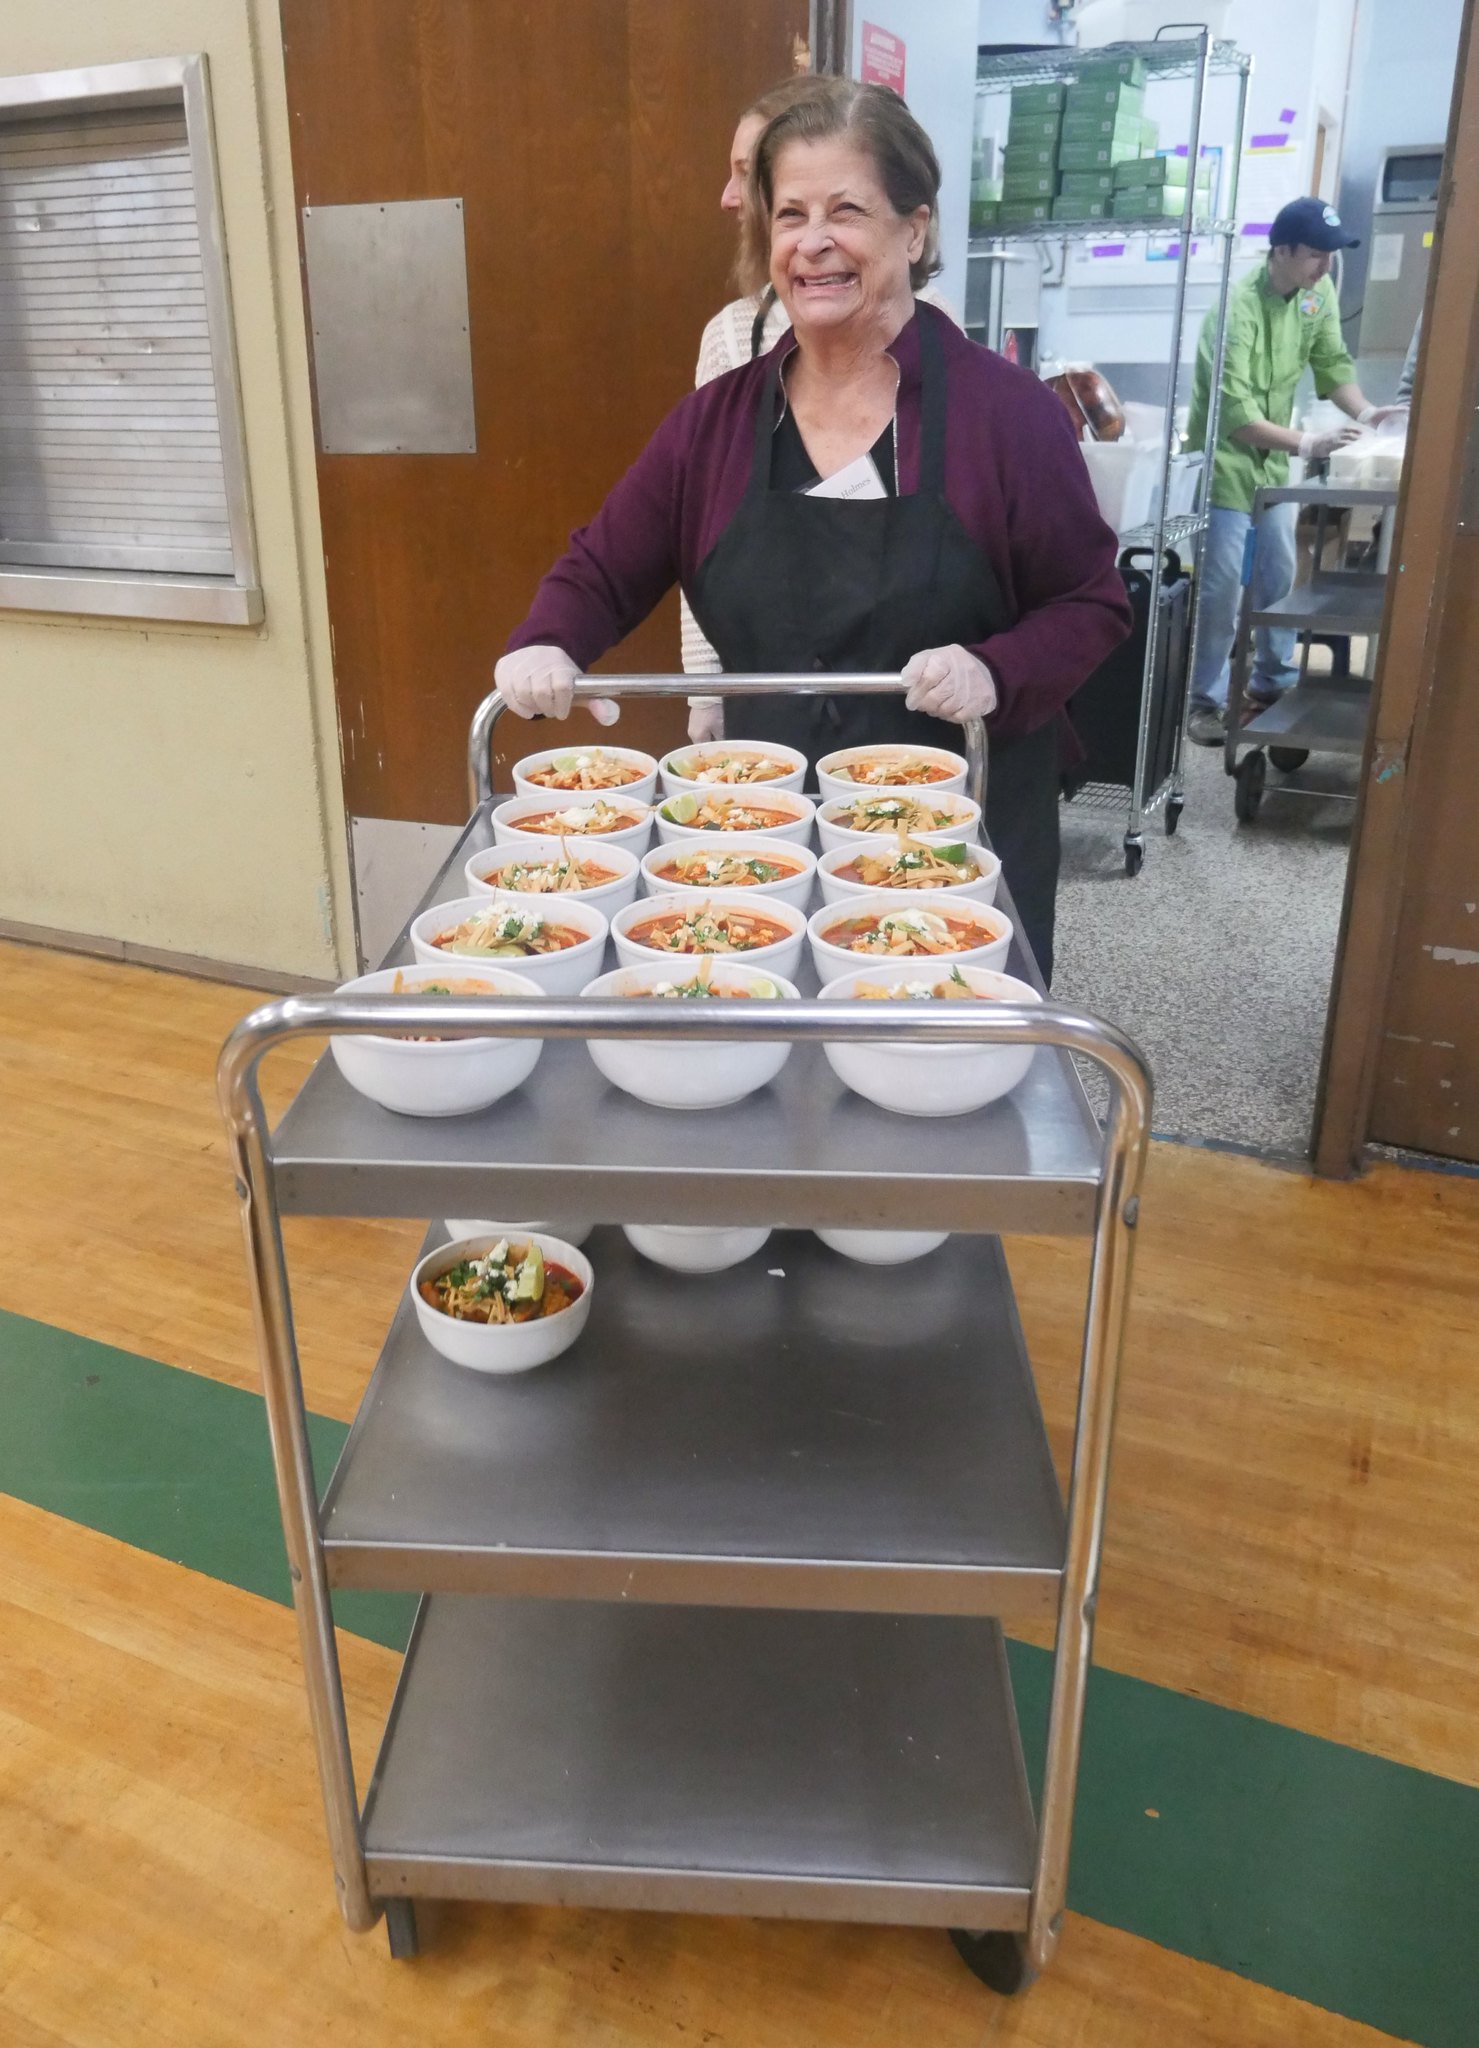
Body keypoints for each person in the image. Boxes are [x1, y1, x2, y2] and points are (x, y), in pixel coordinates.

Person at [494, 78, 1130, 981]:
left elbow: (1090, 603)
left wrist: (994, 670)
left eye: (846, 211)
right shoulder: (712, 426)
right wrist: (547, 640)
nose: (812, 241)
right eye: (790, 215)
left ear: (914, 230)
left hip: (955, 840)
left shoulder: (1006, 416)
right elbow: (602, 565)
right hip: (761, 834)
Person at [1184, 197, 1407, 746]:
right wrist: (1311, 442)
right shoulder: (1234, 311)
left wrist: (1367, 414)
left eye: (1331, 256)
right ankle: (1204, 701)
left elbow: (1331, 363)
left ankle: (1272, 681)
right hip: (1226, 464)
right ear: (1281, 251)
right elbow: (1236, 416)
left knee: (1279, 574)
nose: (1325, 267)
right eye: (1315, 255)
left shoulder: (1315, 294)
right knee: (1221, 589)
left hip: (1273, 465)